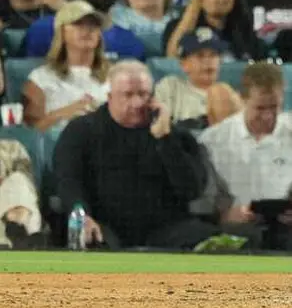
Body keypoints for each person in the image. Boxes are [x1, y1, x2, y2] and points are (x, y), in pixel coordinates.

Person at [52, 59, 229, 250]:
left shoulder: (176, 135)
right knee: (91, 241)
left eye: (143, 94)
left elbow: (192, 190)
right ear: (110, 96)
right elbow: (68, 180)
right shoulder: (81, 131)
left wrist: (164, 138)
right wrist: (83, 216)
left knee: (216, 243)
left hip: (167, 227)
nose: (137, 102)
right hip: (105, 223)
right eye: (127, 95)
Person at [198, 62, 292, 251]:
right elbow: (207, 201)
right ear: (243, 99)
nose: (268, 116)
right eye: (260, 108)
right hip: (232, 226)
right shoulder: (212, 140)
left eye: (274, 107)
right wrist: (229, 214)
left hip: (286, 228)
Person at [22, 0, 110, 137]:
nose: (87, 29)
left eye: (94, 25)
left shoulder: (116, 76)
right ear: (61, 31)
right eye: (78, 24)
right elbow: (30, 134)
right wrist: (61, 114)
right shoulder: (40, 78)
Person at [153, 28, 241, 127]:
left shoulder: (229, 95)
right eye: (200, 56)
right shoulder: (170, 86)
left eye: (213, 55)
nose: (208, 61)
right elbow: (159, 124)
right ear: (184, 64)